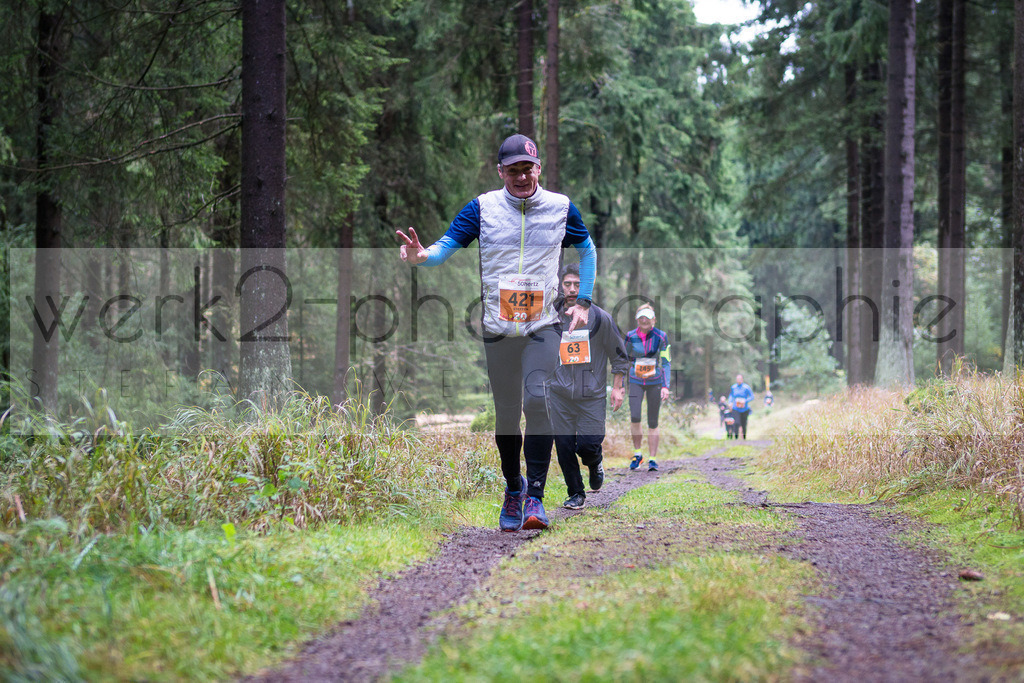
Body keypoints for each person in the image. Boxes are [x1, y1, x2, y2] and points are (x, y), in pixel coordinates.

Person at [396, 133, 597, 532]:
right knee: (507, 415)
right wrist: (422, 257)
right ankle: (513, 487)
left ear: (538, 169)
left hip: (544, 326)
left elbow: (587, 249)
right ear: (501, 171)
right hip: (498, 328)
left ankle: (536, 498)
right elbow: (444, 247)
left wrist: (584, 301)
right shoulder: (482, 209)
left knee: (537, 398)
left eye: (528, 169)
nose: (521, 177)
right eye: (513, 170)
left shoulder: (560, 209)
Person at [547, 265, 628, 510]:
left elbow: (619, 356)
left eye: (577, 284)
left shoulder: (601, 318)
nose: (572, 289)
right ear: (560, 286)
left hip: (591, 394)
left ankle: (595, 462)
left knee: (587, 445)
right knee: (563, 446)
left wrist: (617, 388)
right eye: (567, 284)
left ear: (586, 287)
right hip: (559, 393)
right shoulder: (552, 316)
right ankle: (576, 493)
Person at [623, 304, 671, 471]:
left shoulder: (661, 336)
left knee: (653, 420)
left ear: (654, 320)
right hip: (636, 381)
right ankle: (638, 455)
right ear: (637, 319)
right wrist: (621, 383)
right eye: (641, 317)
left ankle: (653, 459)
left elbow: (665, 362)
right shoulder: (630, 336)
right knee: (635, 416)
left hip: (655, 382)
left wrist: (666, 386)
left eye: (647, 317)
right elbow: (624, 360)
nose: (644, 320)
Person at [728, 373, 755, 440]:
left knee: (743, 423)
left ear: (742, 380)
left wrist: (745, 400)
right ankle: (736, 437)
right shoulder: (733, 387)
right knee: (736, 422)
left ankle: (744, 438)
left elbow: (752, 396)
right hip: (735, 408)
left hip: (744, 409)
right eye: (737, 379)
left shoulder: (746, 387)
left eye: (740, 379)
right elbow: (731, 395)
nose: (738, 380)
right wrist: (730, 402)